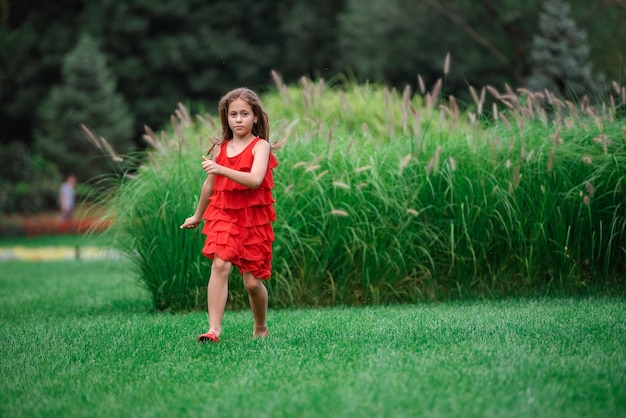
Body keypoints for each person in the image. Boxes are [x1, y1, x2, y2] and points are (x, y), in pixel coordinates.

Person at [180, 87, 278, 343]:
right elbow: (209, 186)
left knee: (252, 284)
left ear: (255, 117)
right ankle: (214, 330)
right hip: (224, 214)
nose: (238, 119)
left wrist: (221, 168)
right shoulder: (221, 148)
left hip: (253, 220)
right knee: (220, 264)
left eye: (244, 114)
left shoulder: (261, 146)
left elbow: (255, 180)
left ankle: (260, 326)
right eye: (233, 114)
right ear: (226, 118)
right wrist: (197, 216)